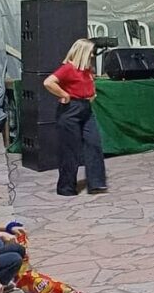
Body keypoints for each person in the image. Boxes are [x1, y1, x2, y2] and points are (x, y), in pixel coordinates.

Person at [42, 39, 107, 197]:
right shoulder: (68, 68)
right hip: (70, 111)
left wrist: (91, 95)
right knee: (70, 150)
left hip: (86, 109)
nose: (92, 55)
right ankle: (66, 187)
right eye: (90, 52)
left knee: (94, 142)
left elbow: (88, 85)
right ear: (83, 52)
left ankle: (96, 182)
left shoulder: (86, 69)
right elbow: (48, 82)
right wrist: (64, 94)